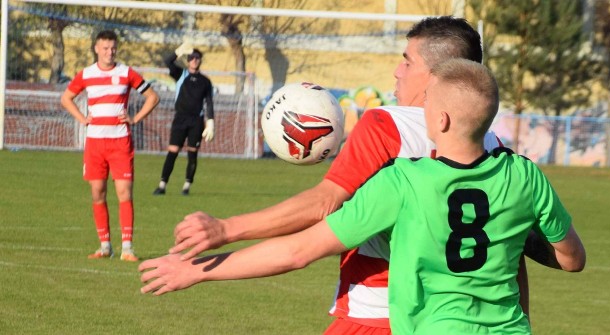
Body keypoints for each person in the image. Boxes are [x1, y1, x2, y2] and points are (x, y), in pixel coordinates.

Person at [145, 17, 539, 333]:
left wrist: (225, 229)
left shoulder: (387, 125)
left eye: (407, 60)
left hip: (378, 310)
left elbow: (322, 206)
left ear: (438, 74)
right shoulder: (496, 148)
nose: (397, 71)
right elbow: (520, 254)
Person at [61, 30, 159, 262]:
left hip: (120, 142)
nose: (109, 52)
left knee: (124, 193)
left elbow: (153, 97)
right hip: (95, 143)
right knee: (98, 193)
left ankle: (127, 248)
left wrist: (134, 119)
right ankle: (105, 246)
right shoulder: (86, 74)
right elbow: (66, 98)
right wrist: (82, 118)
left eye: (113, 48)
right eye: (105, 48)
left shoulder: (126, 73)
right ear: (96, 49)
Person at [153, 42, 215, 196]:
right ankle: (162, 185)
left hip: (196, 121)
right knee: (172, 151)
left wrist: (210, 122)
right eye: (192, 57)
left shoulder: (205, 82)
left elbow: (209, 102)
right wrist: (178, 51)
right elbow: (168, 61)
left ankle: (187, 186)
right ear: (188, 60)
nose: (194, 60)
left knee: (192, 153)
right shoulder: (181, 74)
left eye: (197, 58)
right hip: (180, 119)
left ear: (200, 61)